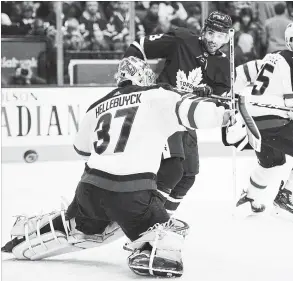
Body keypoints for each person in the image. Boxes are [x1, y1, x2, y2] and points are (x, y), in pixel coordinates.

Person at [1, 57, 233, 277]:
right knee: (171, 234)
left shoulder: (97, 105)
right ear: (144, 77)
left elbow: (81, 149)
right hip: (131, 197)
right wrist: (222, 114)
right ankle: (151, 250)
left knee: (78, 223)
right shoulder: (157, 95)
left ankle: (28, 233)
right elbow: (195, 114)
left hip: (87, 192)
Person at [124, 11, 232, 215]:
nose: (213, 40)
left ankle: (160, 219)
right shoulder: (182, 41)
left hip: (186, 120)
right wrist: (132, 82)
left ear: (227, 38)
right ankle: (147, 220)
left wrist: (210, 97)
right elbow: (138, 47)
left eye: (220, 36)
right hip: (162, 112)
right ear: (203, 31)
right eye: (210, 33)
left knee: (188, 176)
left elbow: (219, 101)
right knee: (173, 170)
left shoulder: (225, 64)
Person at [229, 23, 293, 222]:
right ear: (289, 42)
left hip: (253, 122)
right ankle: (285, 197)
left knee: (272, 163)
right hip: (274, 122)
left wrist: (233, 97)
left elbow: (239, 74)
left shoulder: (271, 58)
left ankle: (250, 199)